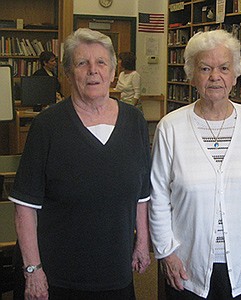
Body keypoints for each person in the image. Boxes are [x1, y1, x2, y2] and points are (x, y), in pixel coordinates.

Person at [9, 28, 151, 300]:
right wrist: (33, 269)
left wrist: (142, 244)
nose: (92, 71)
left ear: (113, 72)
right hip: (56, 276)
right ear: (68, 72)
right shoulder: (46, 126)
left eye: (101, 62)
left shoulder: (135, 122)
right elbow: (25, 207)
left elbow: (142, 195)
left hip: (115, 271)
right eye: (82, 63)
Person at [149, 29, 241, 300]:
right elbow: (159, 196)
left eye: (223, 68)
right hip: (186, 265)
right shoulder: (170, 127)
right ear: (192, 74)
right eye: (205, 68)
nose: (215, 76)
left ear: (235, 75)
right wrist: (166, 252)